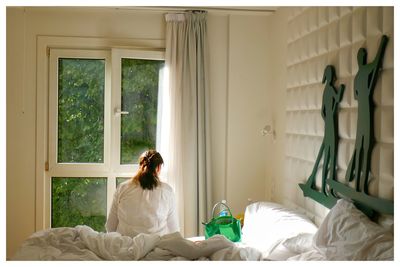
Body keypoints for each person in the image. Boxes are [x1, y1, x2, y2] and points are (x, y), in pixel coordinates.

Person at [105, 150, 179, 237]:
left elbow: (110, 226)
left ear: (140, 165)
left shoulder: (123, 188)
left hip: (126, 246)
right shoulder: (167, 191)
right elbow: (174, 230)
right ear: (158, 168)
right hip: (156, 247)